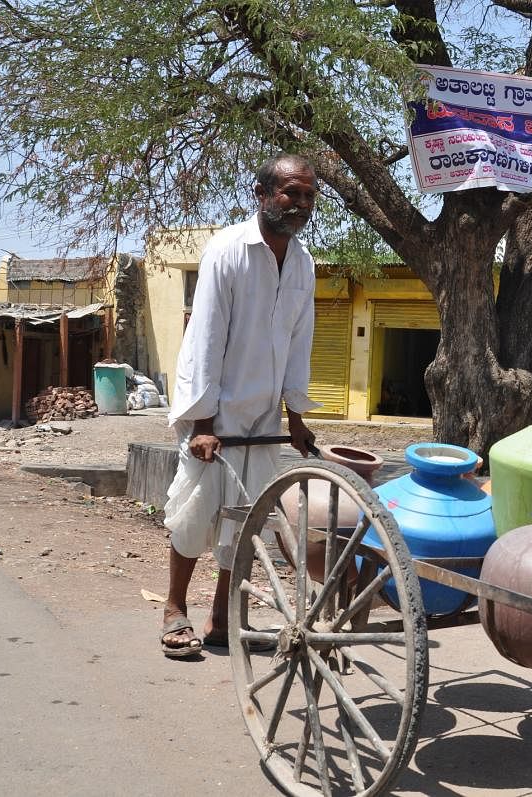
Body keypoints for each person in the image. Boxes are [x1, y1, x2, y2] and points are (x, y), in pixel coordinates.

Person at [160, 153, 320, 658]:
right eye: (290, 193)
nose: (299, 204)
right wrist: (204, 422)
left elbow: (299, 342)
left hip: (262, 418)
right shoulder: (227, 250)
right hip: (216, 412)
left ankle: (222, 617)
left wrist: (295, 417)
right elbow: (205, 339)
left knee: (245, 521)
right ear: (262, 193)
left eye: (308, 196)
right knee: (194, 512)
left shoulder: (302, 262)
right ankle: (173, 608)